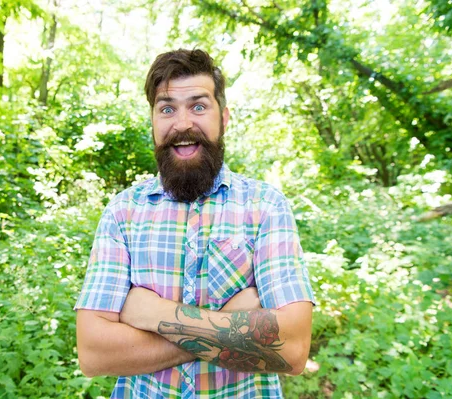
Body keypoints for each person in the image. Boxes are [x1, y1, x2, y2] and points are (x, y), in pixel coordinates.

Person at [75, 48, 315, 399]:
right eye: (167, 108)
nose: (183, 123)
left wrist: (154, 314)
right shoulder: (122, 212)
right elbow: (94, 352)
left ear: (225, 118)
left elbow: (292, 348)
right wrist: (229, 321)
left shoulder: (265, 206)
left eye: (199, 106)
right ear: (153, 121)